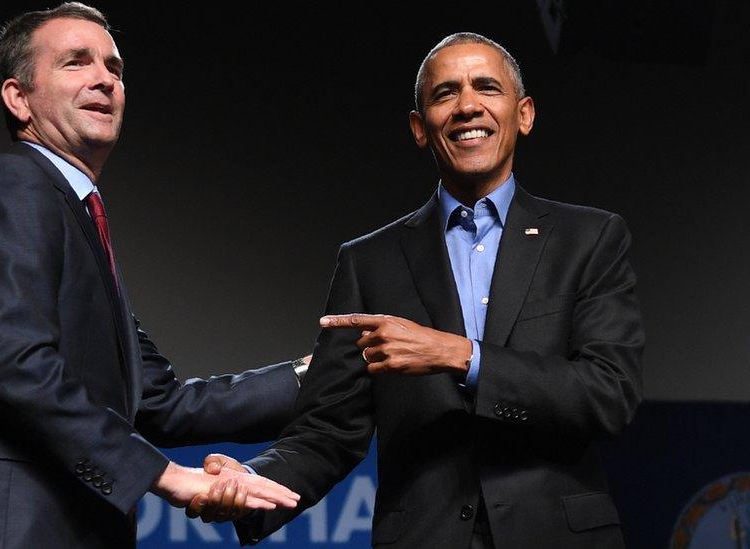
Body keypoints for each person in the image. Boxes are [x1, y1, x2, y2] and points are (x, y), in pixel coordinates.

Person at [190, 32, 644, 548]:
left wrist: (460, 355)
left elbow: (610, 394)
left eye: (487, 88)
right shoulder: (368, 262)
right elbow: (329, 429)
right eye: (445, 93)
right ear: (419, 127)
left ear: (524, 114)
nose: (467, 106)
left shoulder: (590, 239)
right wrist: (254, 482)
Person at [0, 3, 304, 548]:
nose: (104, 79)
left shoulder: (79, 218)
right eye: (75, 63)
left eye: (114, 67)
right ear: (19, 99)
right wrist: (167, 476)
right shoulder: (11, 184)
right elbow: (18, 368)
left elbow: (158, 403)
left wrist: (310, 374)